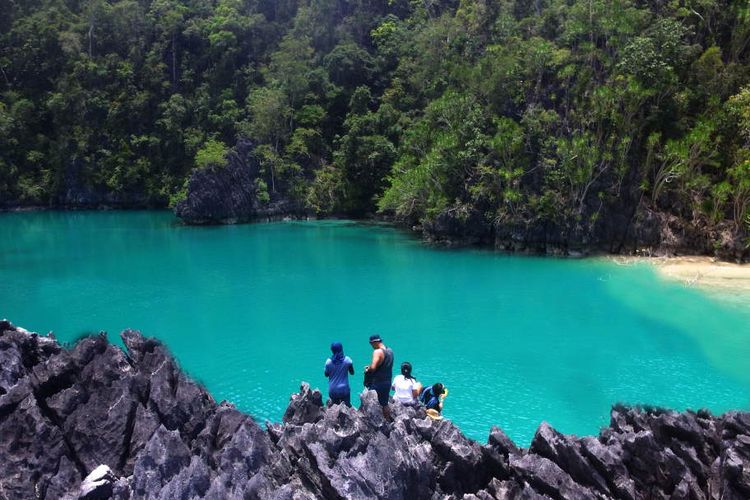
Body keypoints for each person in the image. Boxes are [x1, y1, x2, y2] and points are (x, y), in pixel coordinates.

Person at [364, 333, 394, 419]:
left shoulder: (377, 352)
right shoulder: (390, 351)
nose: (371, 346)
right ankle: (387, 421)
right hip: (387, 381)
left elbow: (373, 368)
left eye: (371, 344)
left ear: (374, 342)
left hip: (377, 382)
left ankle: (372, 424)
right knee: (385, 404)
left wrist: (367, 369)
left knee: (370, 403)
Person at [324, 342, 354, 406]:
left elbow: (326, 374)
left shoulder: (328, 362)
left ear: (332, 350)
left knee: (335, 408)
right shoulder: (347, 360)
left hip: (333, 390)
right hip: (344, 389)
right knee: (347, 407)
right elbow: (352, 373)